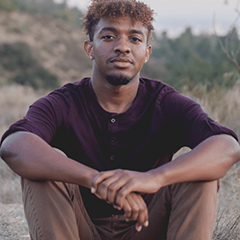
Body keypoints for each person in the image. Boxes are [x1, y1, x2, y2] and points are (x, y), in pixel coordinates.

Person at [0, 0, 240, 239]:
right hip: (79, 228)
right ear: (89, 48)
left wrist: (153, 179)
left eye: (134, 39)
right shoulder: (64, 102)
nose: (122, 47)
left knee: (200, 177)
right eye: (108, 37)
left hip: (148, 224)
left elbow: (227, 146)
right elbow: (15, 145)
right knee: (43, 172)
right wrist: (96, 180)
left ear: (146, 52)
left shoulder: (166, 102)